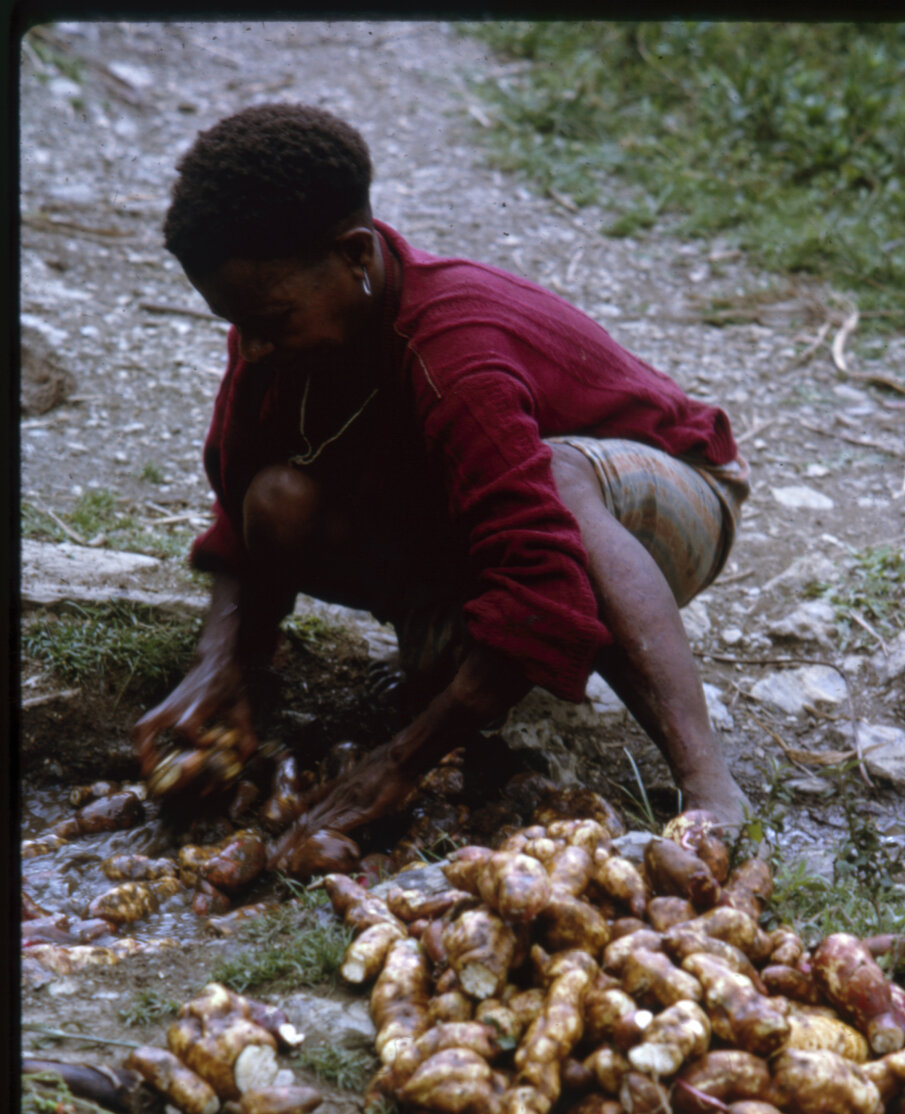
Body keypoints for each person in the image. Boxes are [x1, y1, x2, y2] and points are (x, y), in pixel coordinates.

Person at [134, 102, 751, 868]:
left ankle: (709, 784)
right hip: (493, 516)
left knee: (555, 482)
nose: (251, 346)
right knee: (276, 500)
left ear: (356, 257)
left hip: (669, 498)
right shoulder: (276, 330)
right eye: (234, 322)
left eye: (269, 319)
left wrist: (400, 762)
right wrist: (219, 658)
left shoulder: (456, 351)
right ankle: (275, 694)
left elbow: (538, 569)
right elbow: (238, 507)